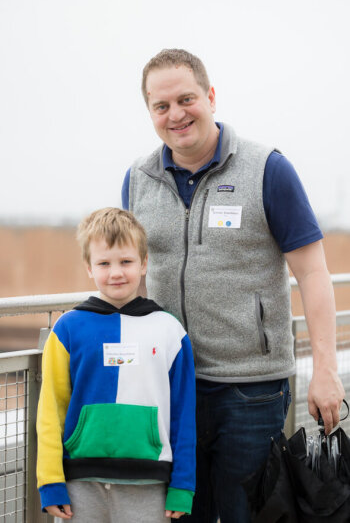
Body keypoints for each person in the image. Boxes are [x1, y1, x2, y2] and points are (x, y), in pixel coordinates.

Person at [121, 48, 345, 522]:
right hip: (170, 386)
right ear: (150, 112)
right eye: (161, 107)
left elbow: (312, 273)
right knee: (180, 514)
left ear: (211, 96)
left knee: (248, 515)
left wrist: (324, 369)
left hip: (252, 390)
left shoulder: (267, 169)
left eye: (186, 99)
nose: (175, 115)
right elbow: (125, 273)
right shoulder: (137, 180)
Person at [36, 207, 196, 522]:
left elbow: (184, 414)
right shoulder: (67, 329)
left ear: (144, 263)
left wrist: (184, 485)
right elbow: (51, 410)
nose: (116, 273)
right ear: (89, 267)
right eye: (104, 263)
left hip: (151, 483)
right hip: (80, 483)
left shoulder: (170, 331)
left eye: (126, 262)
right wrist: (50, 482)